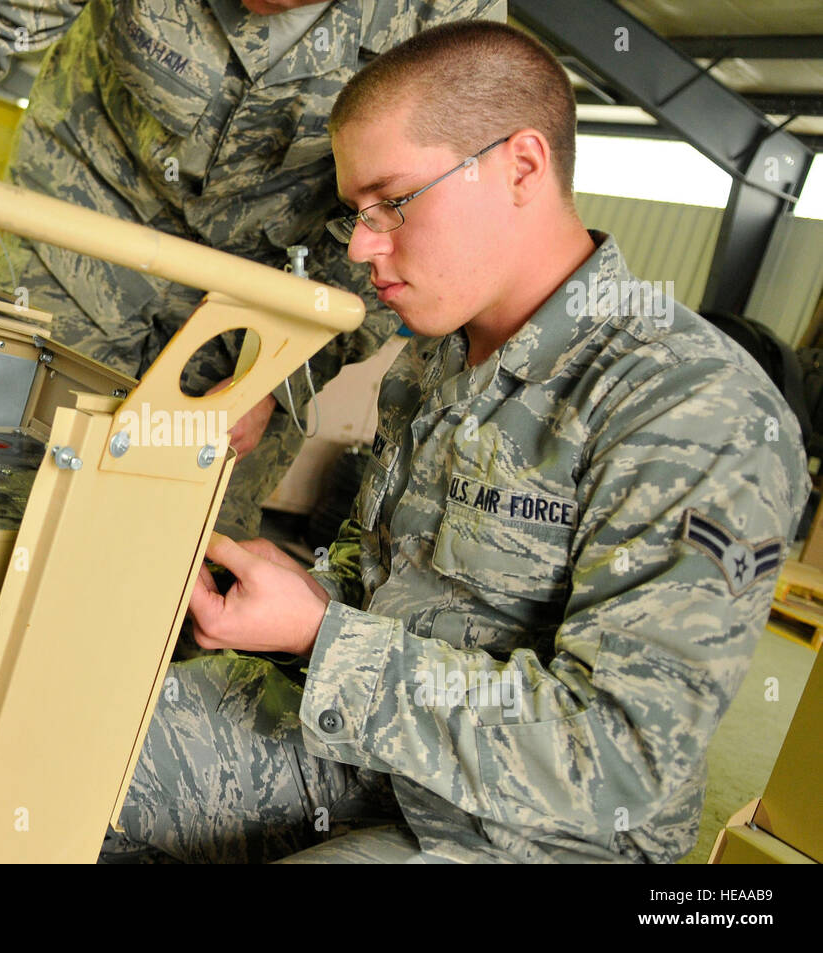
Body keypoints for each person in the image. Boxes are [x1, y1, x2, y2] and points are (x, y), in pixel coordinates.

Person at [101, 19, 810, 863]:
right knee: (70, 757)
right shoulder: (438, 354)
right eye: (355, 213)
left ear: (521, 166)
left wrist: (324, 637)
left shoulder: (691, 405)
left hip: (541, 833)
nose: (363, 246)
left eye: (392, 202)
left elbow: (622, 757)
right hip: (367, 750)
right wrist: (295, 589)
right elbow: (390, 577)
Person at [0, 0, 505, 540]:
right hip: (82, 233)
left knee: (165, 563)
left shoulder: (450, 16)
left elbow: (419, 226)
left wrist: (279, 375)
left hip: (269, 309)